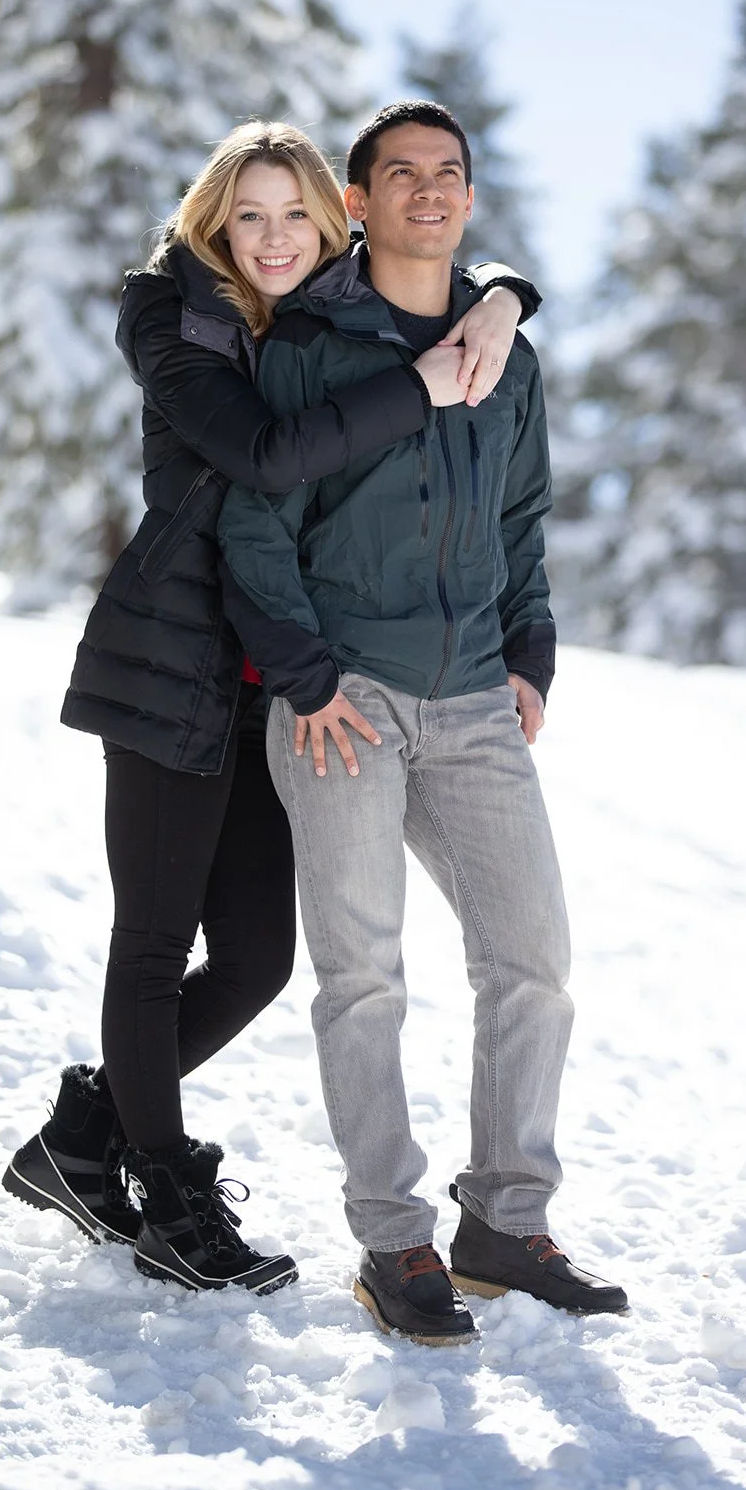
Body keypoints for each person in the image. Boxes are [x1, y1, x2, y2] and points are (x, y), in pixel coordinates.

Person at [2, 120, 538, 1296]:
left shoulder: (313, 322)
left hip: (271, 688)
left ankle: (83, 1134)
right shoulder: (176, 323)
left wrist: (501, 296)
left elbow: (438, 274)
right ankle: (163, 1193)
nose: (274, 235)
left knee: (252, 961)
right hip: (176, 663)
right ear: (214, 225)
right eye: (248, 215)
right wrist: (417, 384)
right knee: (154, 942)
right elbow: (266, 455)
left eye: (295, 212)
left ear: (333, 221)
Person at [217, 101, 628, 1341]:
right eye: (401, 174)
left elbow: (521, 522)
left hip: (473, 700)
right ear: (357, 203)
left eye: (448, 172)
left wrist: (530, 658)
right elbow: (255, 523)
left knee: (532, 961)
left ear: (469, 196)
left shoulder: (507, 353)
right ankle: (392, 1242)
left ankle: (503, 1221)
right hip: (340, 703)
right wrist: (306, 677)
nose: (429, 191)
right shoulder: (306, 343)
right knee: (363, 979)